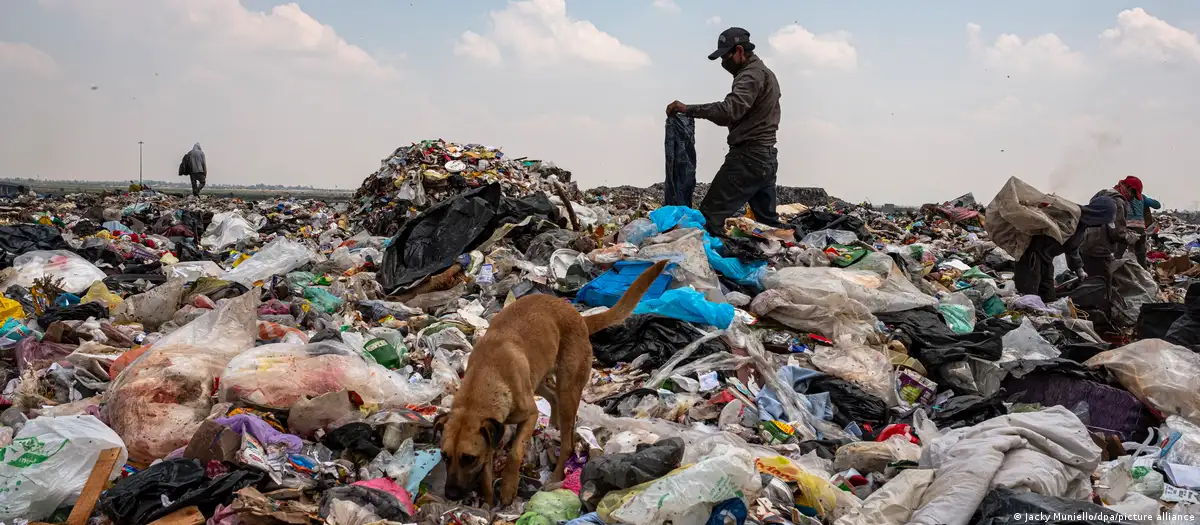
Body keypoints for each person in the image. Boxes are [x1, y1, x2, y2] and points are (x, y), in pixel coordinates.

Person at [666, 27, 783, 237]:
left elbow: (729, 111)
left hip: (747, 159)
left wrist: (688, 109)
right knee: (770, 226)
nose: (723, 63)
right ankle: (795, 256)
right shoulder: (766, 74)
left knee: (709, 219)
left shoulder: (750, 75)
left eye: (726, 56)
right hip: (766, 159)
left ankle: (708, 266)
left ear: (739, 51)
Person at [1014, 195, 1117, 303]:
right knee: (1029, 296)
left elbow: (1071, 248)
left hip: (1046, 259)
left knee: (1048, 296)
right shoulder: (1069, 215)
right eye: (1102, 222)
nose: (1100, 225)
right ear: (1099, 215)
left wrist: (1079, 269)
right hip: (1031, 256)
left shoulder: (1082, 225)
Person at [1118, 176, 1161, 268]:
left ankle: (1113, 275)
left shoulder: (1120, 197)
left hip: (1125, 229)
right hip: (1140, 229)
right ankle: (1145, 276)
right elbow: (1157, 205)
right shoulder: (1142, 198)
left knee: (1118, 254)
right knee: (1141, 257)